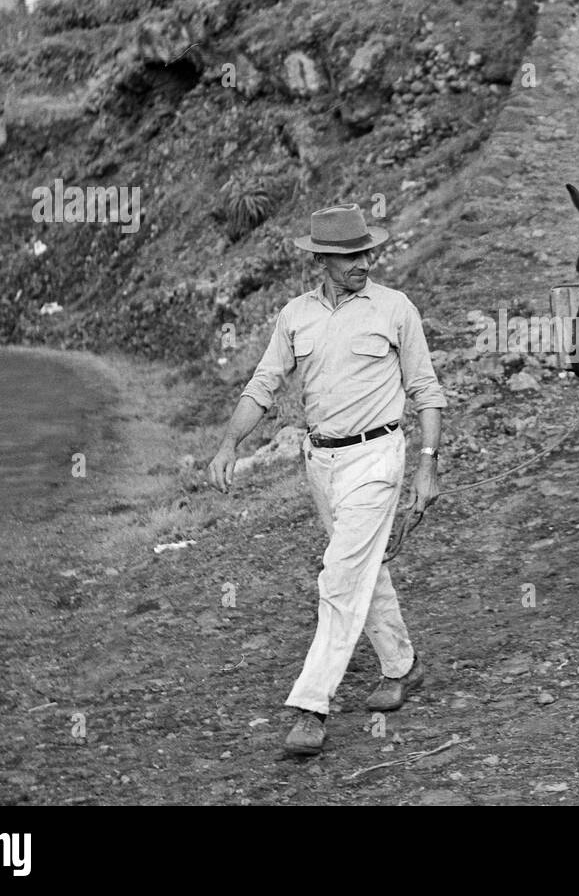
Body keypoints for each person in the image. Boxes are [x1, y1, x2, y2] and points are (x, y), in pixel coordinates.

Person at [207, 203, 446, 754]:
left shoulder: (395, 309)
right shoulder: (295, 316)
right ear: (322, 259)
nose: (363, 262)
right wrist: (229, 442)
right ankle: (401, 665)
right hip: (321, 465)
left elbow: (426, 390)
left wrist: (428, 463)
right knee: (363, 567)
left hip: (378, 459)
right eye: (349, 255)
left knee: (338, 579)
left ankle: (310, 707)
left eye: (367, 251)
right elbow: (264, 384)